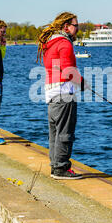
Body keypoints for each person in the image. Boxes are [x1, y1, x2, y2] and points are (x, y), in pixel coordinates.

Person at [37, 12, 88, 180]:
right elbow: (68, 70)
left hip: (51, 93)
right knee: (65, 132)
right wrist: (82, 83)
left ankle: (55, 165)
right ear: (66, 26)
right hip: (64, 93)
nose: (77, 29)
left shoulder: (50, 42)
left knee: (55, 133)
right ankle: (61, 168)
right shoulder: (64, 44)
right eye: (76, 25)